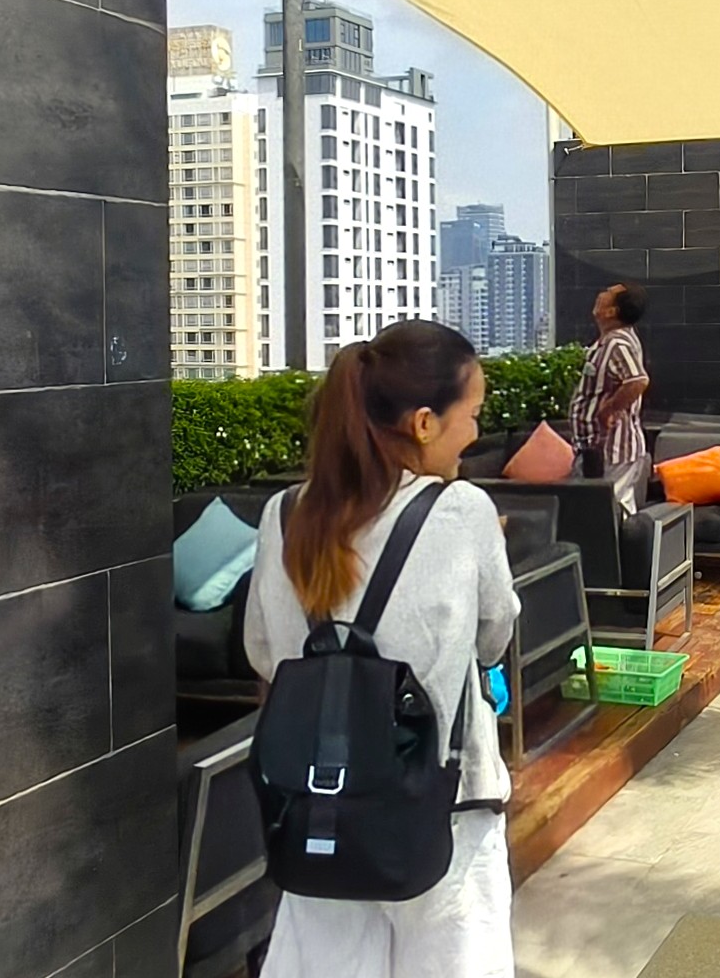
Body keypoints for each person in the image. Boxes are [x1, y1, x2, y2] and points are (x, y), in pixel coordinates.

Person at [246, 320, 522, 978]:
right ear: (424, 422)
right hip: (443, 807)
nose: (476, 433)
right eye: (472, 414)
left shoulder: (284, 514)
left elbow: (263, 655)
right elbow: (494, 635)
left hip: (318, 808)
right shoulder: (462, 510)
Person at [569, 282, 653, 512]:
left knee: (611, 510)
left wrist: (609, 409)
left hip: (614, 447)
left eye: (608, 293)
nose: (601, 293)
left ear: (611, 311)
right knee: (597, 510)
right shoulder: (611, 340)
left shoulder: (617, 342)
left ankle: (623, 549)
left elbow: (638, 380)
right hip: (596, 447)